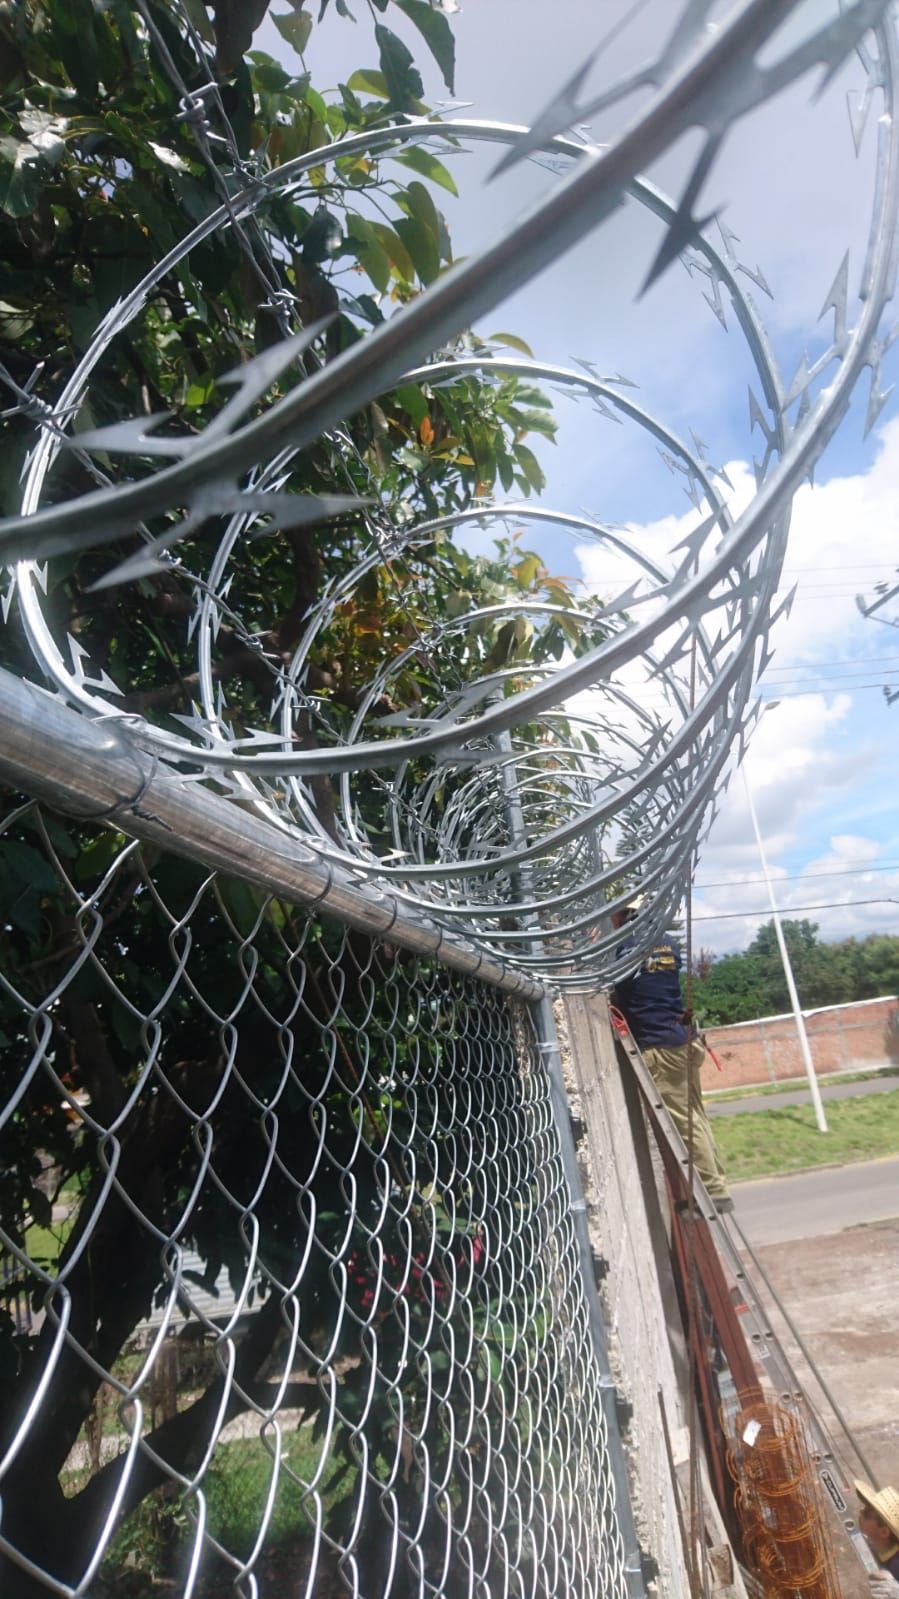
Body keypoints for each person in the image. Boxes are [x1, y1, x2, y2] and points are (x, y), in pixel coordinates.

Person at [610, 900, 732, 1211]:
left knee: (683, 1121)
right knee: (696, 1116)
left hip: (661, 1048)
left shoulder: (627, 947)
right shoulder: (668, 943)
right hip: (683, 1042)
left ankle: (715, 1193)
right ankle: (717, 1181)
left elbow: (617, 986)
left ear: (624, 916)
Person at [856, 1481, 899, 1588]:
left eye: (866, 1513)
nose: (860, 1511)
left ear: (883, 1532)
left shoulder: (896, 1567)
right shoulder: (877, 1549)